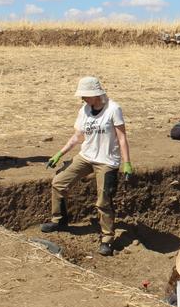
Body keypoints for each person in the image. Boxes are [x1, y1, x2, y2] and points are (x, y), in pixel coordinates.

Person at [40, 76, 133, 256]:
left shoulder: (113, 109)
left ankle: (107, 238)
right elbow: (77, 136)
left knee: (103, 200)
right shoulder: (84, 110)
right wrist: (60, 153)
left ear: (97, 94)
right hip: (86, 156)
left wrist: (127, 162)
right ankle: (59, 220)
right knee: (59, 182)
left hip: (107, 161)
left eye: (86, 95)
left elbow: (122, 138)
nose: (83, 99)